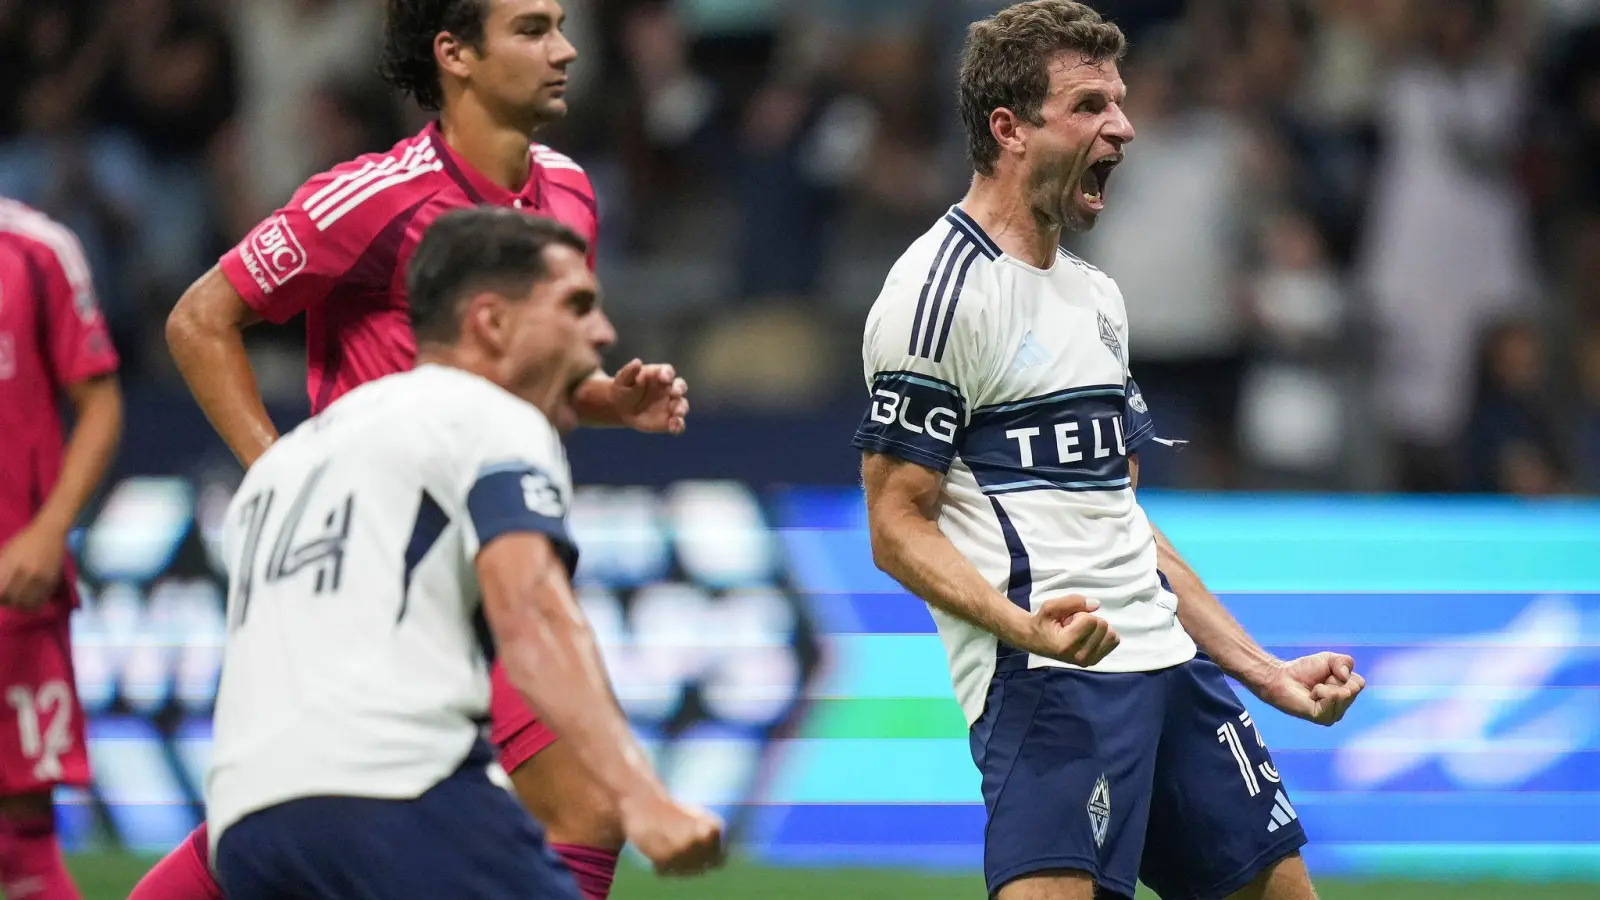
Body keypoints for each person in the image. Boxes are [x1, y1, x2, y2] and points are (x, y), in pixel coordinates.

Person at [141, 2, 683, 898]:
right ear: (454, 54)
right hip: (391, 568)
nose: (566, 49)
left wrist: (604, 400)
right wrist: (283, 471)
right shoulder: (372, 198)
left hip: (484, 556)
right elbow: (200, 320)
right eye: (534, 28)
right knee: (569, 799)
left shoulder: (568, 191)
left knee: (309, 801)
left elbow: (520, 377)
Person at [852, 4, 1365, 900]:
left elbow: (1122, 519)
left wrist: (1265, 671)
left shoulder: (1095, 295)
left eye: (1118, 102)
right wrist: (1022, 627)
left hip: (1170, 671)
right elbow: (896, 527)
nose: (1123, 127)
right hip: (1050, 687)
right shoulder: (937, 295)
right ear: (1009, 129)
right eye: (1090, 105)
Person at [205, 208, 724, 899]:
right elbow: (534, 617)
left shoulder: (290, 462)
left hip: (246, 827)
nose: (602, 333)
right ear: (492, 321)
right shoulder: (488, 416)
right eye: (576, 307)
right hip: (395, 792)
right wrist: (642, 795)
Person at [0, 199, 124, 900]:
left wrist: (49, 530)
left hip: (13, 587)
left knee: (22, 839)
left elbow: (101, 402)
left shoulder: (36, 249)